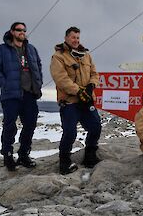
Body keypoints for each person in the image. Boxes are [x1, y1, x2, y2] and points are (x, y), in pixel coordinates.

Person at [0, 22, 43, 171]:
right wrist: (5, 84)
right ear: (12, 32)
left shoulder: (31, 49)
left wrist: (38, 83)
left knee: (30, 124)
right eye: (19, 30)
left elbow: (38, 66)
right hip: (11, 95)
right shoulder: (2, 50)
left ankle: (24, 154)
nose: (22, 32)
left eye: (24, 30)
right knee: (9, 125)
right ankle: (7, 155)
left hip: (29, 94)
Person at [50, 26, 102, 175]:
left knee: (95, 127)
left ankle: (90, 155)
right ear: (66, 38)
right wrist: (79, 91)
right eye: (73, 37)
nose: (76, 40)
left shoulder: (86, 55)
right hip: (70, 102)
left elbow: (94, 73)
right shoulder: (58, 57)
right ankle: (64, 160)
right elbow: (61, 79)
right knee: (70, 132)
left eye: (78, 38)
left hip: (87, 102)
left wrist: (91, 87)